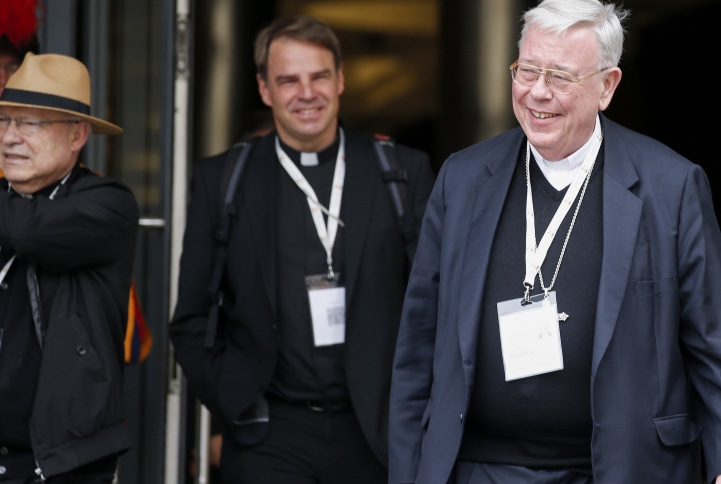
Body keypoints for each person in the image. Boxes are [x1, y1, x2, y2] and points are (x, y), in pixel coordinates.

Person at [388, 1, 721, 483]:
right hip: (478, 469)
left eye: (561, 77)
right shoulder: (462, 179)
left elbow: (718, 347)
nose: (538, 92)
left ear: (606, 87)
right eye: (527, 70)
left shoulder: (670, 186)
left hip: (616, 469)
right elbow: (418, 347)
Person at [170, 15, 435, 483]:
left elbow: (438, 302)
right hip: (270, 435)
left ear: (340, 80)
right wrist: (230, 397)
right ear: (264, 89)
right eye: (288, 80)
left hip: (376, 432)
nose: (306, 93)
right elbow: (191, 317)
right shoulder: (222, 180)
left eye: (318, 76)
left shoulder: (403, 172)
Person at [0, 53, 138, 483]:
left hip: (62, 462)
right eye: (4, 121)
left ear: (78, 135)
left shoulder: (109, 202)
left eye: (31, 124)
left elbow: (29, 231)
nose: (10, 138)